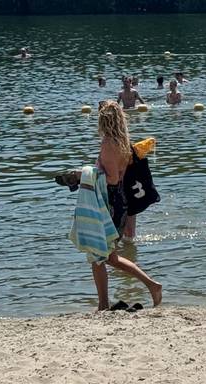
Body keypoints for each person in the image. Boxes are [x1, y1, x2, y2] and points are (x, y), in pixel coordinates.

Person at [69, 101, 162, 310]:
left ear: (104, 120)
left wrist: (82, 173)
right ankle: (152, 286)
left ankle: (104, 305)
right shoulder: (123, 143)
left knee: (98, 255)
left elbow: (111, 178)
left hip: (110, 203)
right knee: (108, 257)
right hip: (119, 201)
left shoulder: (109, 144)